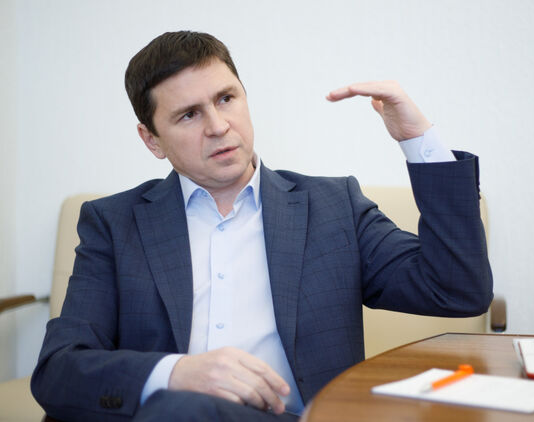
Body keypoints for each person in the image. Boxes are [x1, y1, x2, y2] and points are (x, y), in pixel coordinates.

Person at [31, 31, 493, 422]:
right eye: (189, 114)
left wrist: (418, 141)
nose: (218, 126)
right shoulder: (114, 224)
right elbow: (59, 370)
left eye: (225, 99)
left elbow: (457, 289)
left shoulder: (334, 208)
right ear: (152, 140)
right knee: (179, 408)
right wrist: (176, 373)